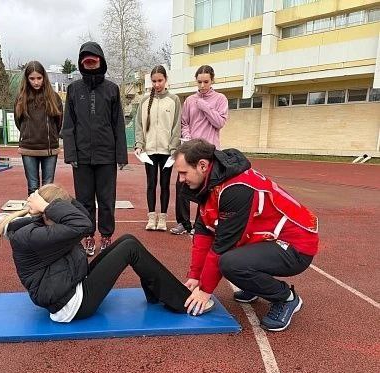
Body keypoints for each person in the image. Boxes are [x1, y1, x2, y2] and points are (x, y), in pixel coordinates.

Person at [0, 184, 214, 322]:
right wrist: (48, 205)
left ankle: (157, 294)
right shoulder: (35, 235)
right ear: (49, 211)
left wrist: (56, 201)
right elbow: (84, 224)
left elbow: (82, 218)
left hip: (68, 284)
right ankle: (184, 303)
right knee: (129, 248)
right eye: (60, 207)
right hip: (71, 305)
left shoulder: (41, 226)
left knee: (128, 240)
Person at [173, 139, 319, 332]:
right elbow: (204, 232)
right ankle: (254, 286)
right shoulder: (211, 182)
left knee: (230, 263)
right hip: (267, 239)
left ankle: (286, 298)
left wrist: (205, 291)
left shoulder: (236, 188)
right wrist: (195, 277)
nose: (180, 179)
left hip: (296, 245)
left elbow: (222, 245)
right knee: (230, 258)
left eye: (183, 173)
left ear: (202, 165)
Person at [62, 41, 128, 256]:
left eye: (93, 60)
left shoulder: (112, 89)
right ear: (81, 63)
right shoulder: (73, 89)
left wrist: (121, 155)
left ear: (100, 61)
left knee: (107, 200)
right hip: (81, 157)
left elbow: (118, 123)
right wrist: (71, 153)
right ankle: (88, 236)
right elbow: (68, 124)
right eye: (86, 61)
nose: (90, 63)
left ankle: (106, 236)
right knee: (84, 201)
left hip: (106, 155)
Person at [171, 65, 228, 235]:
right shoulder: (190, 100)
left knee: (206, 188)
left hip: (210, 151)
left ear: (212, 80)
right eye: (199, 82)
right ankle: (183, 223)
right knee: (181, 184)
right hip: (191, 149)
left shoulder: (220, 99)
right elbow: (184, 123)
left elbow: (219, 123)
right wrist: (188, 138)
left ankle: (200, 224)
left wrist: (204, 106)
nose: (202, 85)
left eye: (206, 82)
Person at [134, 65, 181, 231]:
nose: (157, 84)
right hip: (149, 152)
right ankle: (151, 217)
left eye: (160, 80)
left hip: (167, 151)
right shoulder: (144, 100)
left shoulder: (174, 100)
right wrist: (139, 144)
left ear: (166, 80)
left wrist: (174, 148)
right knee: (151, 184)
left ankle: (163, 218)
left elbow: (176, 126)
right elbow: (139, 125)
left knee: (165, 185)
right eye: (154, 81)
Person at [14, 61, 63, 195]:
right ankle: (34, 210)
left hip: (49, 149)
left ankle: (47, 210)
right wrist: (27, 134)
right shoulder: (20, 98)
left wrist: (52, 135)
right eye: (32, 78)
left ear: (44, 77)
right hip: (28, 149)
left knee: (48, 188)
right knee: (33, 187)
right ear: (27, 79)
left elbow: (58, 122)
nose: (36, 82)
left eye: (39, 78)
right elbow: (19, 122)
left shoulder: (54, 97)